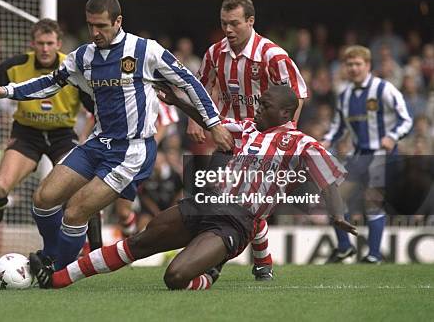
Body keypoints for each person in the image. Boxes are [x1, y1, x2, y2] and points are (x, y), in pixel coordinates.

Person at [0, 0, 233, 273]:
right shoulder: (83, 56)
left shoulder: (146, 50)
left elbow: (191, 83)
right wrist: (6, 91)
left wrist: (214, 124)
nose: (95, 33)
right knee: (44, 198)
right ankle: (51, 256)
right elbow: (51, 83)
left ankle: (58, 269)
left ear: (118, 21)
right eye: (90, 26)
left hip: (132, 150)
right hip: (99, 143)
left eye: (101, 26)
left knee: (75, 211)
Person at [29, 85, 356, 290]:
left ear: (285, 112)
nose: (256, 109)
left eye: (264, 105)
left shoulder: (302, 143)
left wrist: (338, 215)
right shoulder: (246, 130)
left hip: (236, 222)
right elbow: (209, 117)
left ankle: (209, 273)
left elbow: (328, 179)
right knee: (140, 241)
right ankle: (59, 279)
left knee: (174, 277)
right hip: (206, 202)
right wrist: (177, 101)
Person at [187, 0, 308, 281]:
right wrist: (195, 120)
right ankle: (253, 261)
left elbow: (296, 96)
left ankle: (240, 262)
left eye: (234, 24)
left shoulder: (273, 55)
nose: (228, 30)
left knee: (247, 205)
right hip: (229, 136)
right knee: (220, 199)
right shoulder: (215, 53)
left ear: (250, 21)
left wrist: (283, 139)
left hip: (263, 140)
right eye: (223, 23)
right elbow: (201, 89)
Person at [0, 19, 93, 262]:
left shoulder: (72, 67)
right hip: (26, 134)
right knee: (0, 186)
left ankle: (93, 251)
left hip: (62, 136)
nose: (44, 48)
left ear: (58, 44)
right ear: (32, 44)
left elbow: (94, 106)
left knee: (83, 188)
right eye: (40, 43)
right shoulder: (16, 65)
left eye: (49, 43)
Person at [322, 45, 412, 264]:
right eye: (349, 64)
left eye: (357, 64)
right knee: (334, 197)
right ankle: (344, 247)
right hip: (358, 156)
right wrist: (326, 140)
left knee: (373, 199)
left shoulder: (384, 89)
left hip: (382, 154)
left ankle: (373, 255)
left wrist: (392, 136)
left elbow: (406, 120)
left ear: (368, 65)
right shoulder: (344, 95)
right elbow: (338, 127)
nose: (353, 68)